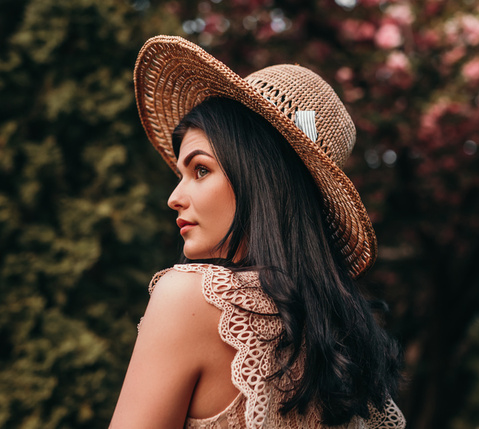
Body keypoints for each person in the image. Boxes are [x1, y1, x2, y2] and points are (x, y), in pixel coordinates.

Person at [110, 36, 406, 429]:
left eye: (200, 170)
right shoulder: (345, 343)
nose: (174, 198)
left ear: (260, 178)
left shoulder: (188, 297)